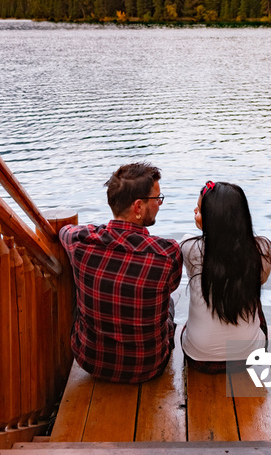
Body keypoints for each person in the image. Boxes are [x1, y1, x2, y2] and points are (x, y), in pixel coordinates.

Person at [59, 162, 182, 383]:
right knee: (168, 302)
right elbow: (171, 285)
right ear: (138, 207)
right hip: (148, 365)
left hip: (90, 360)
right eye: (157, 199)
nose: (160, 204)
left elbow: (64, 231)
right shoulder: (167, 253)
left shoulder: (80, 241)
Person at [180, 180, 271, 373]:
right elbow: (260, 280)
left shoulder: (188, 247)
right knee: (253, 298)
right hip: (249, 358)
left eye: (199, 210)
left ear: (211, 218)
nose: (195, 213)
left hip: (199, 358)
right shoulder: (262, 248)